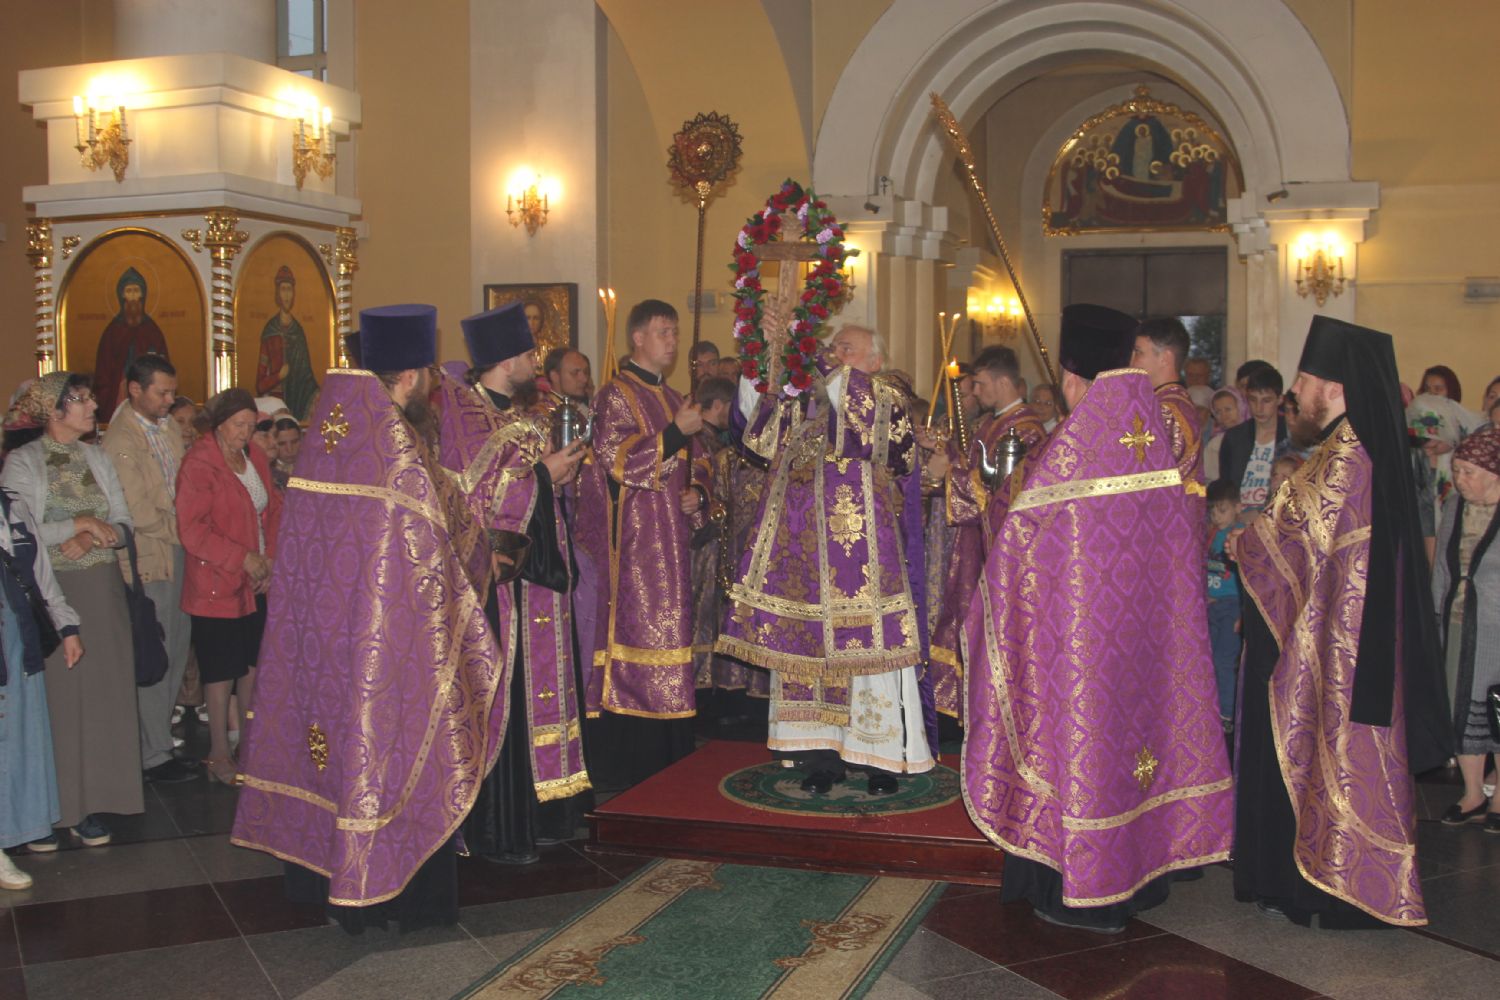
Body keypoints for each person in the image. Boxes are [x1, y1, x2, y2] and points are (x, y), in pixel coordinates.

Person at [233, 303, 505, 932]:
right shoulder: (396, 452)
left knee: (330, 745)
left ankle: (322, 884)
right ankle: (393, 895)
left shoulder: (330, 442)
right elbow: (434, 553)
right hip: (390, 644)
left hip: (322, 641)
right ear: (409, 375)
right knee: (389, 749)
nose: (433, 384)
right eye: (428, 373)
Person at [963, 303, 1232, 933]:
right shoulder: (1151, 434)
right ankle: (1141, 876)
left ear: (1070, 376)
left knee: (1086, 749)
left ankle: (1084, 888)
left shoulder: (1076, 446)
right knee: (1138, 742)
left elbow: (1019, 540)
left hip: (1080, 645)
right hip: (1148, 638)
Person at [1229, 316, 1452, 928]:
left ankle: (1328, 887)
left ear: (1335, 386)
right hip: (1344, 636)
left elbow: (1291, 537)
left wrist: (1248, 541)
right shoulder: (1354, 447)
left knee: (1334, 753)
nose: (1297, 391)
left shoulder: (1347, 454)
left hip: (1342, 645)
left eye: (1305, 379)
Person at [718, 322, 933, 794]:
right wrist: (763, 357)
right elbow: (755, 433)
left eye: (847, 349)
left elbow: (883, 439)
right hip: (803, 563)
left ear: (875, 361)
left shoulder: (887, 395)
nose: (835, 355)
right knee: (804, 654)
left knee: (869, 656)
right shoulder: (807, 405)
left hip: (862, 562)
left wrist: (815, 358)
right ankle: (820, 756)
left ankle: (879, 761)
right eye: (833, 347)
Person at [441, 302, 590, 866]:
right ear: (506, 360)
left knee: (543, 695)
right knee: (507, 697)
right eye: (529, 353)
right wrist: (543, 476)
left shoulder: (522, 416)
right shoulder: (466, 418)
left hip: (540, 582)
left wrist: (556, 477)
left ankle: (548, 812)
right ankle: (502, 827)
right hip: (500, 587)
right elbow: (472, 501)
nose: (536, 361)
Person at [0, 373, 142, 849]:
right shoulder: (24, 462)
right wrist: (75, 528)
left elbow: (123, 523)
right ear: (54, 410)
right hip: (50, 594)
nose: (93, 406)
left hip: (102, 590)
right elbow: (16, 532)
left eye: (90, 398)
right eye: (81, 399)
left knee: (104, 698)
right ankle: (51, 811)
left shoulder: (97, 457)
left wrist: (100, 534)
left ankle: (95, 804)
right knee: (60, 703)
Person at [574, 299, 711, 789]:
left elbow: (701, 462)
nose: (672, 341)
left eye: (674, 332)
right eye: (662, 332)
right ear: (638, 338)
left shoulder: (675, 397)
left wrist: (699, 494)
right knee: (642, 635)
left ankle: (673, 761)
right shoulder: (615, 394)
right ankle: (633, 765)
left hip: (673, 543)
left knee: (674, 635)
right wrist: (675, 434)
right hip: (634, 550)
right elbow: (616, 462)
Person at [918, 345, 1046, 724]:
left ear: (1003, 382)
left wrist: (949, 474)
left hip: (1000, 549)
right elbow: (972, 465)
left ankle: (987, 712)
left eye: (981, 384)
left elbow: (1006, 493)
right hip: (975, 542)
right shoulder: (994, 423)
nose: (975, 392)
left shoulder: (1026, 430)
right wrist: (942, 450)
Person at [176, 388, 282, 785]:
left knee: (251, 665)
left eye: (251, 426)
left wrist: (268, 560)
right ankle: (218, 752)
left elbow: (272, 510)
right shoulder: (199, 463)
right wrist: (243, 558)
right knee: (220, 671)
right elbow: (193, 529)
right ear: (219, 425)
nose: (246, 433)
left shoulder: (254, 456)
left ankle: (250, 745)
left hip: (254, 578)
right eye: (239, 425)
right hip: (215, 580)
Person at [101, 354, 198, 784]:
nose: (170, 400)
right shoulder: (120, 439)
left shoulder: (168, 427)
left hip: (177, 549)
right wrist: (187, 530)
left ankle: (160, 742)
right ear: (135, 389)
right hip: (151, 558)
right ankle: (151, 753)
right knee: (155, 652)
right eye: (162, 392)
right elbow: (138, 511)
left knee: (177, 647)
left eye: (172, 391)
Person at [0, 484, 84, 890]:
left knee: (14, 743)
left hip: (15, 637)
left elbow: (38, 574)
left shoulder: (13, 506)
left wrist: (66, 625)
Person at [1433, 427, 1500, 831]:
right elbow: (1442, 567)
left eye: (1469, 472)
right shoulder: (1455, 505)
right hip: (1459, 624)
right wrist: (1434, 616)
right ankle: (1473, 793)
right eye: (1456, 470)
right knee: (1461, 708)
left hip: (1497, 629)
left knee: (1497, 711)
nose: (1460, 479)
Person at [1133, 317, 1207, 505]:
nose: (1132, 361)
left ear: (1165, 358)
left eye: (1138, 352)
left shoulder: (1164, 409)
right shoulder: (1171, 401)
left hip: (1165, 516)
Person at [93, 268, 170, 421]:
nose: (133, 296)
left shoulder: (152, 330)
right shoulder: (113, 331)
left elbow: (164, 368)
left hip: (147, 389)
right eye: (129, 291)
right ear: (122, 295)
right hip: (119, 390)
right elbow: (104, 371)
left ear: (143, 294)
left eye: (136, 291)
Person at [1218, 365, 1288, 515]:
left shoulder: (1291, 436)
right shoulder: (1234, 437)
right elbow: (1226, 487)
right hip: (1239, 518)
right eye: (1253, 400)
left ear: (1280, 399)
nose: (1259, 408)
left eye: (1266, 401)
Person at [1205, 478, 1245, 731]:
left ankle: (1228, 714)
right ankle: (1214, 709)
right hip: (1212, 606)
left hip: (1232, 606)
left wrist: (1243, 613)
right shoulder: (1211, 535)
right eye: (1213, 510)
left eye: (1223, 510)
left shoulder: (1239, 535)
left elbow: (1248, 577)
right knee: (1209, 660)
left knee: (1224, 660)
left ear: (1237, 507)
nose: (1217, 516)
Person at [254, 266, 318, 420]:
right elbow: (260, 385)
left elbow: (307, 376)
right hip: (274, 408)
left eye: (290, 290)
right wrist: (278, 376)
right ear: (277, 293)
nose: (287, 295)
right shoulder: (270, 331)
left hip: (298, 403)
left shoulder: (298, 331)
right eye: (283, 289)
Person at [1203, 386, 1248, 483]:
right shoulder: (1215, 444)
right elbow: (1210, 478)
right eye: (1218, 412)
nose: (1224, 416)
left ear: (1241, 407)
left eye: (1228, 409)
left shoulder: (1255, 436)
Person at [269, 417, 301, 490]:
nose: (289, 449)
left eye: (294, 442)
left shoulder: (314, 466)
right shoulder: (267, 472)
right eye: (282, 444)